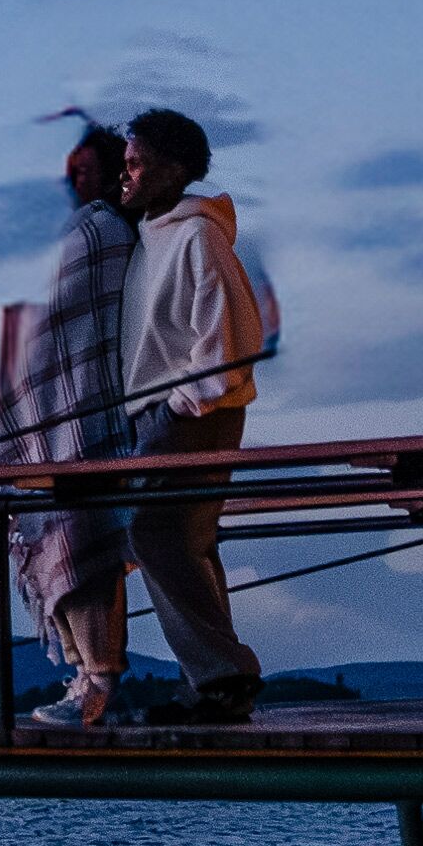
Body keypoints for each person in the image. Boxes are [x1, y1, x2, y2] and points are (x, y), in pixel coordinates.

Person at [109, 108, 272, 712]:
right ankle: (219, 683)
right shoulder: (151, 233)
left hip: (193, 411)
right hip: (162, 411)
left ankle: (222, 672)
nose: (125, 174)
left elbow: (230, 338)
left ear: (174, 169)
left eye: (135, 163)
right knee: (186, 542)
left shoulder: (198, 234)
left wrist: (185, 401)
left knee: (151, 532)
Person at [1, 120, 142, 722]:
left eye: (80, 169)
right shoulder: (71, 234)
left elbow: (72, 319)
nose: (68, 180)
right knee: (64, 533)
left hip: (83, 413)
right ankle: (88, 677)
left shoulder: (104, 233)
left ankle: (98, 681)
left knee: (84, 539)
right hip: (51, 419)